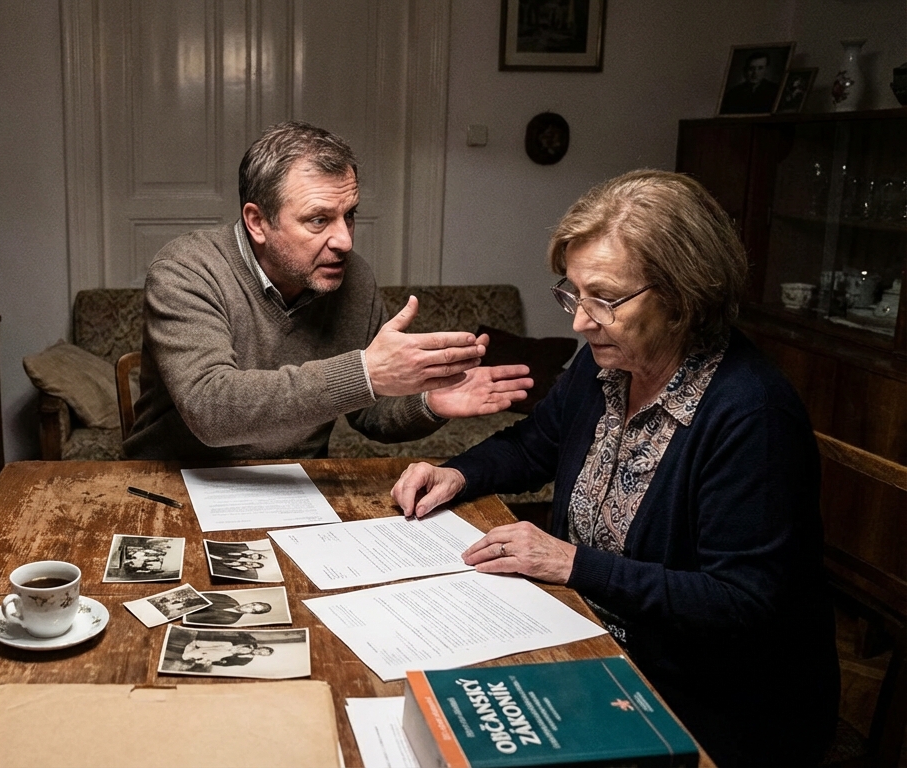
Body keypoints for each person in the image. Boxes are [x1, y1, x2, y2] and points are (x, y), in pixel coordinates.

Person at [389, 170, 838, 767]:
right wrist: (459, 473)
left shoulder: (752, 414)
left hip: (710, 703)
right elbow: (535, 444)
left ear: (681, 297)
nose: (579, 321)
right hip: (594, 640)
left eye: (604, 298)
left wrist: (572, 563)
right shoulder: (606, 364)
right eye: (573, 293)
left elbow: (740, 604)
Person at [123, 121, 533, 460]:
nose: (345, 241)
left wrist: (428, 402)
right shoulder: (187, 270)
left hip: (295, 488)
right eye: (318, 220)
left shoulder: (352, 279)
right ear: (257, 222)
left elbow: (371, 412)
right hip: (173, 485)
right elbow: (211, 408)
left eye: (349, 215)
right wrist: (364, 372)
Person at [189, 593, 272, 626]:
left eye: (253, 610)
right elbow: (200, 596)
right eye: (252, 604)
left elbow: (198, 621)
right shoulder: (228, 599)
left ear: (251, 613)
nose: (248, 607)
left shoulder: (231, 620)